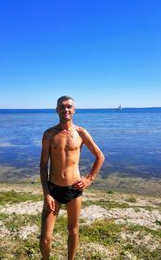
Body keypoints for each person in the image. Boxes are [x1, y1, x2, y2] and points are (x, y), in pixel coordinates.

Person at [39, 96, 105, 260]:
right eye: (62, 107)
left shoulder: (81, 133)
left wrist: (89, 179)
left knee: (73, 231)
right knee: (46, 238)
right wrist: (46, 193)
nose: (66, 110)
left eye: (69, 106)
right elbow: (43, 165)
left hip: (74, 189)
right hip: (53, 189)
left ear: (74, 110)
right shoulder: (49, 134)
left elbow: (100, 156)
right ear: (57, 110)